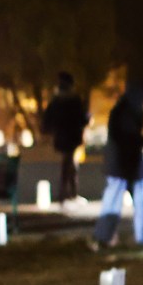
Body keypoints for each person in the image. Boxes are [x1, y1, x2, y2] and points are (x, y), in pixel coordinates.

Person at [93, 81, 143, 252]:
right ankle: (142, 238)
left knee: (121, 202)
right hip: (124, 164)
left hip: (124, 164)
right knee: (132, 202)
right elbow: (130, 138)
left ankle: (105, 238)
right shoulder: (128, 113)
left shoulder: (123, 110)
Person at [40, 71, 89, 202]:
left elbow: (48, 118)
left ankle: (68, 192)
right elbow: (82, 118)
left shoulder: (56, 100)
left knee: (69, 162)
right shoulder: (74, 100)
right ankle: (67, 193)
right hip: (72, 136)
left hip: (61, 136)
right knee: (69, 162)